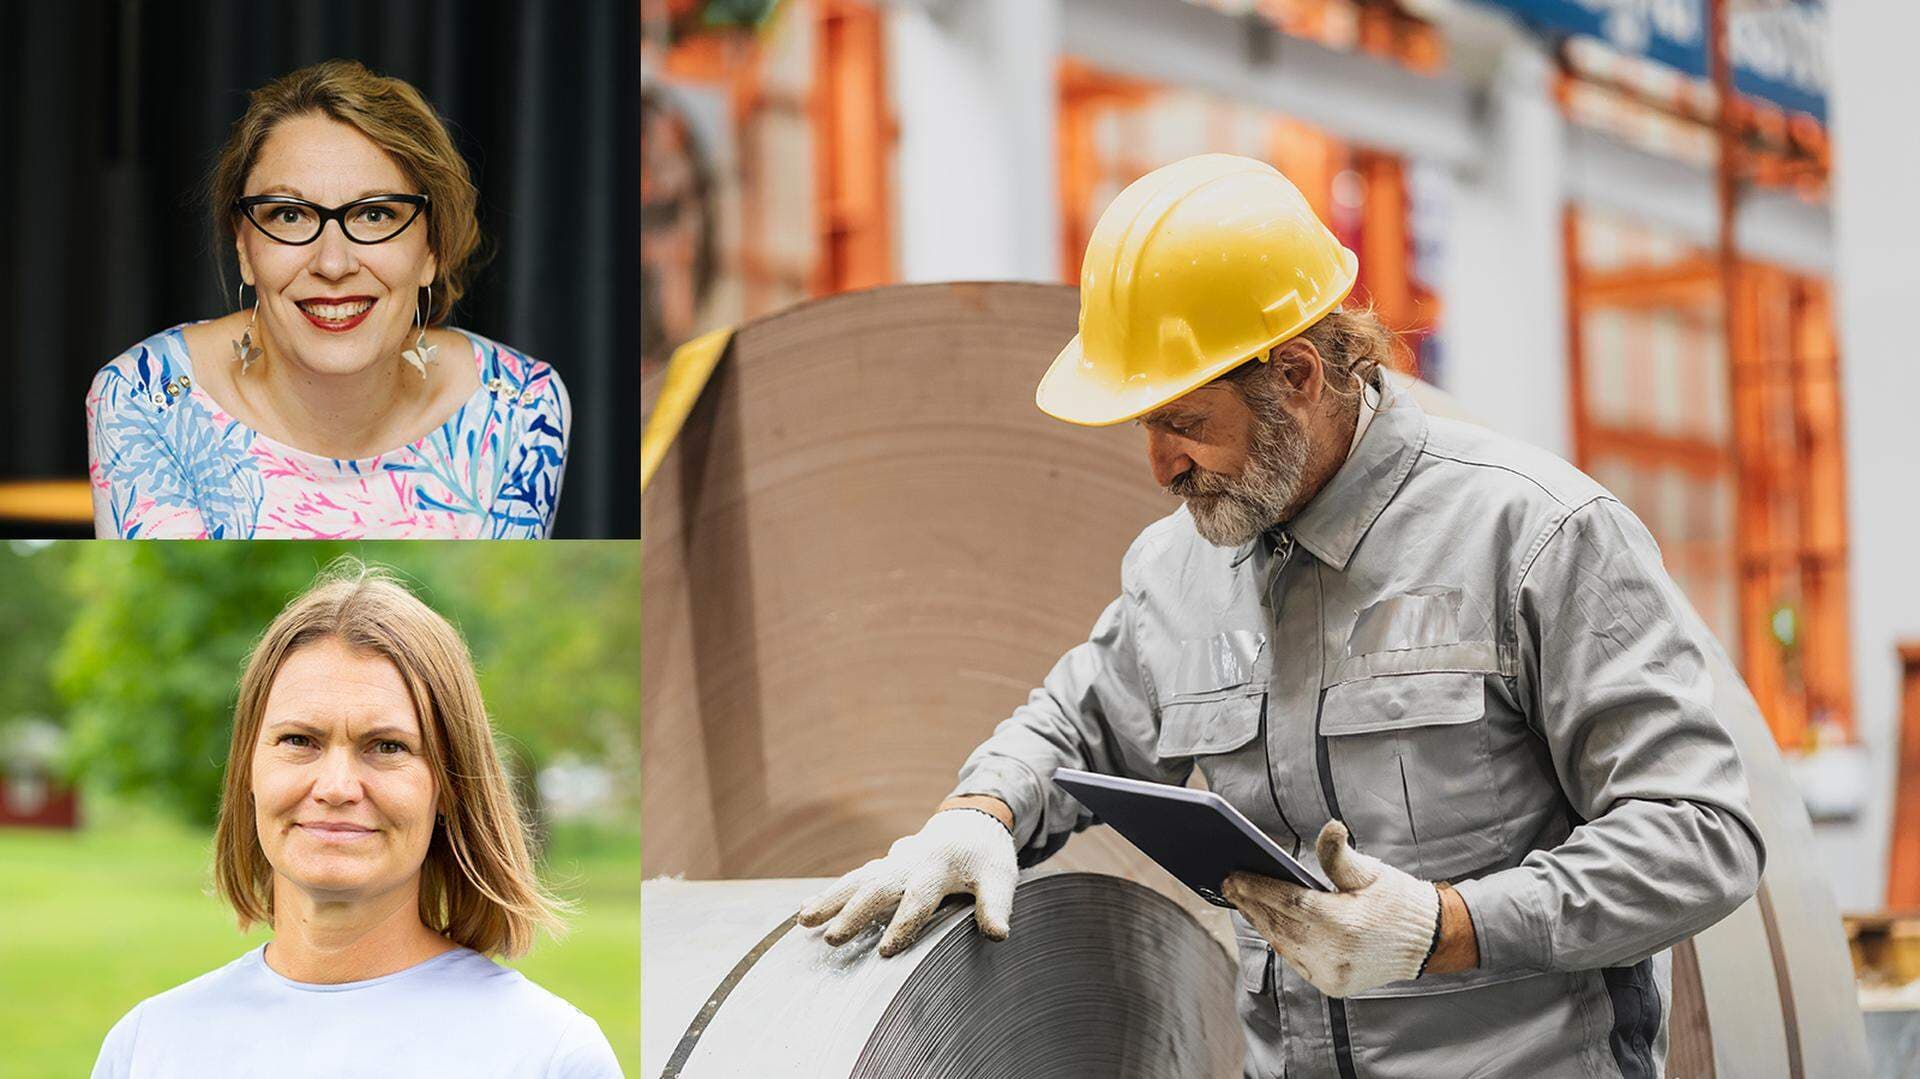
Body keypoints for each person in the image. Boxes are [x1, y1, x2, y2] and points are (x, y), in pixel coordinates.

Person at [797, 154, 1765, 1078]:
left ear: (1298, 377)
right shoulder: (1180, 570)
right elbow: (1076, 720)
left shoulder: (1539, 538)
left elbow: (1701, 829)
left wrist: (1445, 925)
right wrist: (980, 812)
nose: (1160, 465)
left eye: (1185, 421)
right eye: (1147, 424)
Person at [91, 562, 620, 1077]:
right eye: (300, 740)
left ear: (449, 786)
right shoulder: (149, 1046)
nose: (337, 788)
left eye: (387, 746)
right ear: (248, 770)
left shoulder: (550, 1055)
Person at [85, 60, 568, 539]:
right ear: (244, 247)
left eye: (376, 214)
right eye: (289, 215)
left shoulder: (521, 407)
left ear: (432, 248)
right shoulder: (143, 400)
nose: (333, 264)